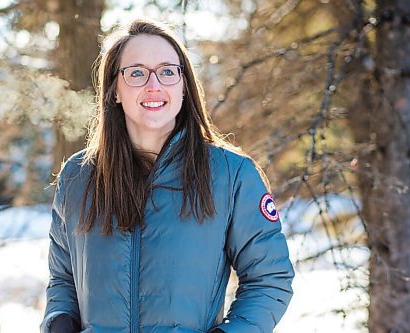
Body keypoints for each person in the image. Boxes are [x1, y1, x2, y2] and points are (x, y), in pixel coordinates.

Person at [41, 18, 294, 333]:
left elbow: (270, 278)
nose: (154, 85)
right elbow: (63, 278)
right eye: (136, 73)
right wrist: (59, 324)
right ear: (114, 90)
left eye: (167, 71)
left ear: (183, 85)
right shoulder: (77, 178)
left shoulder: (232, 175)